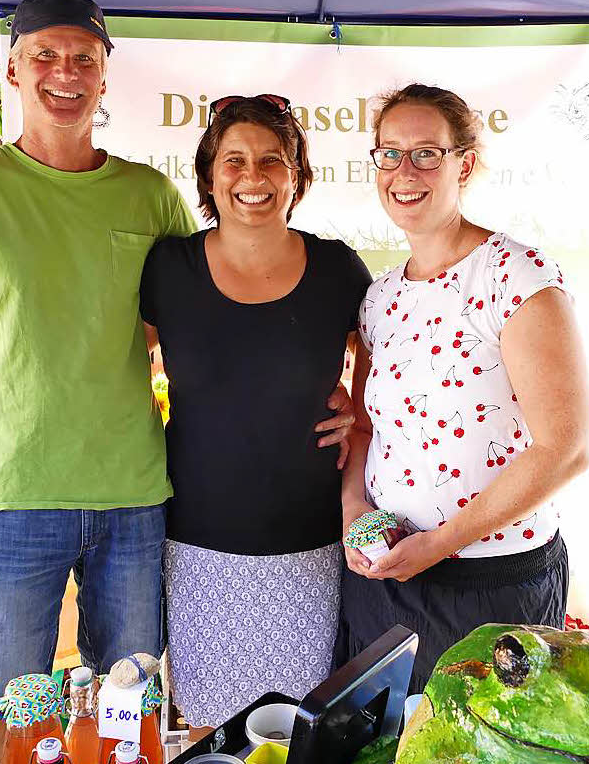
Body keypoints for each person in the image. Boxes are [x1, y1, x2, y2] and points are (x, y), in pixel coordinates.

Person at [0, 0, 355, 741]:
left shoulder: (149, 196)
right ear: (12, 67)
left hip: (136, 504)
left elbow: (220, 311)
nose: (65, 73)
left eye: (84, 58)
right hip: (8, 506)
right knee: (8, 722)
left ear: (106, 77)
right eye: (45, 55)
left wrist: (327, 388)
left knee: (125, 722)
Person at [336, 84, 589, 694]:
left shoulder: (516, 276)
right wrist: (353, 512)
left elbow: (566, 447)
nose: (405, 171)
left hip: (493, 584)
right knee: (386, 745)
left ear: (465, 164)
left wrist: (439, 545)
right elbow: (368, 429)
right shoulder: (380, 297)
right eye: (389, 154)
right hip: (386, 576)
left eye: (428, 152)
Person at [140, 95, 373, 736]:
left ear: (296, 174)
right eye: (234, 160)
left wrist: (359, 412)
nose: (253, 177)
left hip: (310, 542)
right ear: (210, 176)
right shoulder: (170, 268)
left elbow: (389, 366)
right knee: (209, 729)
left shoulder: (336, 268)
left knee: (298, 729)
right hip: (197, 542)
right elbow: (117, 369)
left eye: (273, 160)